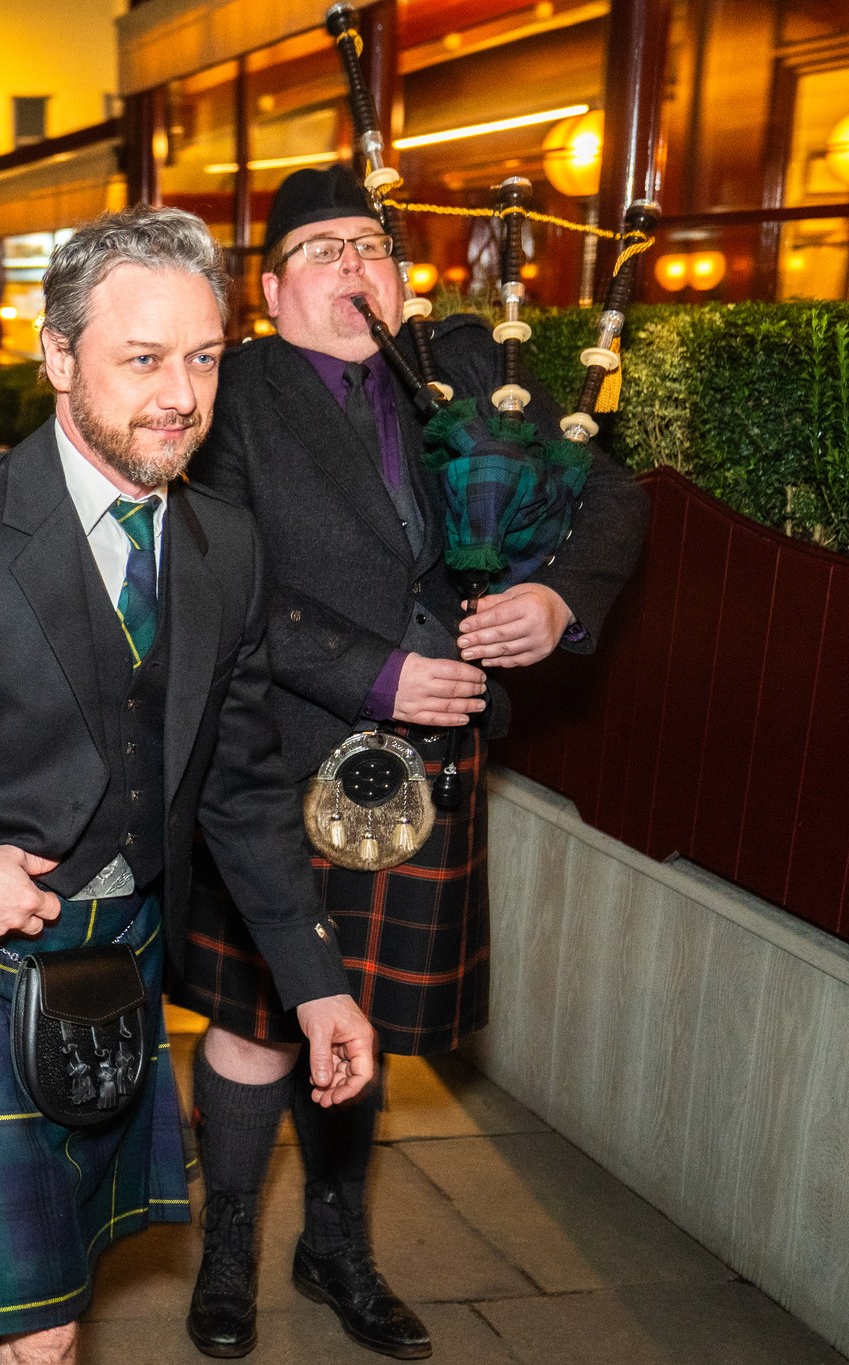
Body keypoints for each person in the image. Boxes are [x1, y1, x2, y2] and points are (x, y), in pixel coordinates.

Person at [0, 206, 378, 1365]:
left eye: (201, 359)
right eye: (140, 359)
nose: (179, 397)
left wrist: (313, 981)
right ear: (56, 357)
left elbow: (238, 784)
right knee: (37, 1327)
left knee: (51, 1286)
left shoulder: (222, 545)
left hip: (121, 951)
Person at [174, 166, 647, 1360]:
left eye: (369, 247)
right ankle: (224, 1246)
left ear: (400, 272)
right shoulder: (224, 400)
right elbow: (208, 586)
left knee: (363, 1014)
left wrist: (554, 598)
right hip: (268, 758)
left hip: (420, 772)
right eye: (319, 252)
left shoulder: (466, 368)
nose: (351, 267)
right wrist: (366, 672)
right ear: (270, 291)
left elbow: (608, 492)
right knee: (255, 1023)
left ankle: (333, 1245)